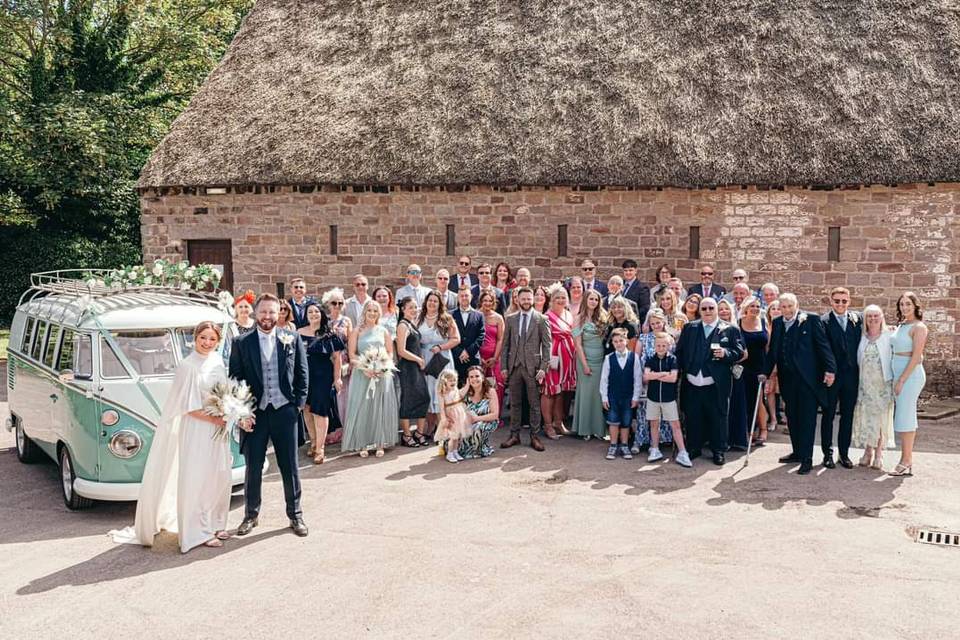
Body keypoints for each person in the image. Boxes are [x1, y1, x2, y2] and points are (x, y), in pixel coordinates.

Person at [110, 322, 233, 552]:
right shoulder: (187, 366)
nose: (207, 343)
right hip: (198, 428)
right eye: (203, 338)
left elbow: (224, 392)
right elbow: (186, 406)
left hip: (219, 428)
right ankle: (198, 531)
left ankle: (216, 523)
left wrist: (231, 410)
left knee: (219, 475)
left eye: (212, 339)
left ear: (217, 341)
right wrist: (215, 418)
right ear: (195, 338)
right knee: (198, 478)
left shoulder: (217, 360)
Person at [230, 293, 310, 537]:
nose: (267, 316)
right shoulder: (242, 342)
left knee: (290, 466)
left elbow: (301, 374)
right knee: (253, 467)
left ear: (280, 314)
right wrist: (243, 412)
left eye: (272, 312)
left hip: (284, 411)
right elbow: (235, 379)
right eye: (263, 311)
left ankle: (295, 515)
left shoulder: (292, 338)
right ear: (256, 313)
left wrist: (296, 406)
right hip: (255, 413)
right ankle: (250, 515)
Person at [764, 293, 836, 475]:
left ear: (796, 305)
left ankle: (807, 459)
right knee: (792, 416)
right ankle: (797, 452)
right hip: (787, 379)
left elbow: (823, 345)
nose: (787, 310)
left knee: (807, 419)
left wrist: (830, 369)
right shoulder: (778, 323)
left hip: (808, 380)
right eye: (783, 307)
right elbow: (773, 350)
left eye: (790, 306)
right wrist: (764, 372)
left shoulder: (811, 319)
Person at [675, 297, 744, 466]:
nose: (707, 311)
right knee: (693, 416)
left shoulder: (731, 329)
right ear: (700, 310)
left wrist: (726, 353)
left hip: (716, 382)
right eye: (704, 308)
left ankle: (718, 450)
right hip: (692, 381)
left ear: (716, 310)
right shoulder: (690, 328)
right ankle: (694, 448)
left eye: (710, 308)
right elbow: (680, 351)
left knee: (718, 417)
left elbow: (739, 352)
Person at [343, 299, 400, 458]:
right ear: (364, 312)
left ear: (379, 313)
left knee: (379, 407)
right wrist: (364, 367)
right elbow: (352, 354)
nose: (372, 314)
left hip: (381, 375)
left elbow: (389, 352)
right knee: (363, 407)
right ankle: (363, 443)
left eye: (375, 311)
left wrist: (383, 366)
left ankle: (380, 443)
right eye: (369, 310)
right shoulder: (357, 331)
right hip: (362, 374)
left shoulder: (383, 331)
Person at [500, 287, 552, 451]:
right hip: (515, 366)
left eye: (529, 299)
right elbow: (505, 344)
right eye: (523, 299)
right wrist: (504, 367)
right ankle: (514, 435)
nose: (527, 301)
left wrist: (544, 367)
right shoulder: (510, 319)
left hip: (533, 367)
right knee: (515, 403)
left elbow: (547, 345)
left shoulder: (541, 319)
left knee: (534, 404)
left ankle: (534, 436)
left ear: (533, 300)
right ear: (518, 300)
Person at [819, 286, 862, 469]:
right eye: (837, 301)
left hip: (851, 377)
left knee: (847, 415)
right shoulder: (823, 321)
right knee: (828, 415)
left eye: (844, 301)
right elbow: (821, 349)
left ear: (849, 301)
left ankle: (843, 454)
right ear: (831, 301)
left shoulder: (857, 319)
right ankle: (827, 454)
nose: (841, 304)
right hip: (831, 376)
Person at [299, 303, 344, 465]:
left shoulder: (329, 334)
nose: (313, 314)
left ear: (322, 314)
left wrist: (337, 378)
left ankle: (320, 448)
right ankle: (312, 441)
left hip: (322, 376)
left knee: (320, 411)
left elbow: (337, 358)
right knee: (307, 409)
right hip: (304, 377)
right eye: (310, 312)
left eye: (316, 311)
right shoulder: (299, 333)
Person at [852, 305, 894, 470]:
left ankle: (878, 454)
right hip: (865, 385)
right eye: (869, 316)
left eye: (876, 316)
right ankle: (867, 452)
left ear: (882, 317)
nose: (873, 319)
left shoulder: (889, 335)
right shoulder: (862, 336)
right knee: (867, 418)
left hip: (882, 385)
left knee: (880, 419)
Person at [890, 291, 927, 477]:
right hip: (897, 371)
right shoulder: (901, 325)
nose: (904, 307)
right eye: (902, 304)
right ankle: (906, 460)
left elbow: (916, 356)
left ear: (915, 306)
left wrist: (902, 379)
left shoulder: (919, 327)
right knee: (902, 414)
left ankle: (906, 460)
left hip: (910, 375)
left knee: (905, 415)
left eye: (908, 304)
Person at [644, 332, 691, 467]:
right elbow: (646, 376)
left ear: (669, 346)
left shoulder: (673, 359)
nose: (661, 347)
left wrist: (655, 375)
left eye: (664, 345)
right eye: (658, 345)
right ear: (654, 346)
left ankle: (682, 452)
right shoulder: (650, 359)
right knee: (654, 424)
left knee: (675, 425)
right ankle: (655, 449)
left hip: (668, 399)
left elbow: (673, 378)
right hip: (653, 398)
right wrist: (663, 374)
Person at [418, 290, 461, 438]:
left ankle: (444, 427)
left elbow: (456, 339)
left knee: (442, 392)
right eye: (430, 300)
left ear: (440, 303)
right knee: (428, 392)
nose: (432, 303)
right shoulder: (419, 318)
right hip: (425, 358)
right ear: (426, 302)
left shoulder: (446, 318)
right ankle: (431, 426)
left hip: (441, 358)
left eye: (435, 301)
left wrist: (440, 347)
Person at [634, 310, 674, 452]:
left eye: (658, 322)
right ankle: (640, 440)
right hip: (646, 381)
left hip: (664, 381)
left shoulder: (669, 339)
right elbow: (636, 361)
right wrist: (641, 378)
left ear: (663, 322)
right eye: (653, 323)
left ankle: (661, 440)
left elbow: (672, 361)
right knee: (644, 412)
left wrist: (662, 376)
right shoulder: (643, 338)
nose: (656, 325)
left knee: (662, 411)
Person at [599, 328, 642, 460]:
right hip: (613, 395)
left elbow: (638, 378)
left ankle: (624, 445)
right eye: (615, 341)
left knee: (626, 421)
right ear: (612, 343)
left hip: (628, 396)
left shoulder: (634, 357)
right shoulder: (608, 358)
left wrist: (636, 397)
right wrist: (604, 397)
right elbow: (604, 379)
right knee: (613, 421)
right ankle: (613, 445)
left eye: (621, 341)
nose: (618, 343)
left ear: (627, 341)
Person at [572, 289, 608, 440]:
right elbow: (578, 345)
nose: (594, 302)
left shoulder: (603, 317)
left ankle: (598, 430)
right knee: (586, 394)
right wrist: (585, 365)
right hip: (585, 359)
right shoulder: (578, 319)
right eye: (591, 299)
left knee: (598, 395)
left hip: (600, 359)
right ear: (585, 300)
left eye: (596, 299)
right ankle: (585, 428)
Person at [542, 285, 577, 439]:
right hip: (552, 359)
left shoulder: (569, 315)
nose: (561, 300)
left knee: (561, 391)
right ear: (552, 300)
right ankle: (548, 425)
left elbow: (574, 334)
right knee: (549, 392)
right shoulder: (546, 316)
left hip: (567, 359)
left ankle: (558, 422)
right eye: (558, 298)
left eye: (564, 297)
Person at [396, 297, 430, 448]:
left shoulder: (412, 324)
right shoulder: (403, 326)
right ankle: (407, 435)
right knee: (408, 400)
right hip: (408, 368)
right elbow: (401, 351)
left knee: (424, 397)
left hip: (416, 366)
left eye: (416, 307)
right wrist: (418, 359)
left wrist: (420, 359)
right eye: (410, 307)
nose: (414, 310)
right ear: (403, 309)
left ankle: (419, 433)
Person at [322, 287, 353, 444]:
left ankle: (346, 429)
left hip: (344, 361)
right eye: (334, 303)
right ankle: (333, 430)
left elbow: (351, 342)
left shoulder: (346, 321)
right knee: (330, 396)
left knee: (344, 396)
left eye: (340, 303)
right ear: (328, 304)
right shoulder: (324, 321)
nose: (337, 306)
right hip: (327, 362)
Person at [739, 296, 769, 446]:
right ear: (746, 308)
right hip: (743, 366)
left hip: (760, 367)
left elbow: (768, 346)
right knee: (744, 399)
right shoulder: (738, 324)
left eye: (758, 306)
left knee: (759, 399)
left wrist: (770, 368)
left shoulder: (763, 322)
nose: (755, 309)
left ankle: (763, 430)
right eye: (752, 306)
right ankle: (745, 430)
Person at [719, 298, 749, 451]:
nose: (723, 311)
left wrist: (729, 358)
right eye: (721, 309)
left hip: (734, 373)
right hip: (718, 373)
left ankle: (736, 440)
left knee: (735, 406)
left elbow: (744, 354)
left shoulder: (735, 328)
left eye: (726, 309)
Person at [458, 365, 500, 459]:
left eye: (477, 376)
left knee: (477, 427)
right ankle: (464, 449)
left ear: (482, 377)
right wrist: (467, 386)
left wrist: (476, 419)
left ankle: (478, 449)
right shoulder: (466, 392)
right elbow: (453, 400)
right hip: (468, 421)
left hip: (487, 421)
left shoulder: (490, 392)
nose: (474, 379)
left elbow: (495, 415)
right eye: (471, 377)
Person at [435, 370, 472, 463]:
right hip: (451, 416)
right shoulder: (442, 393)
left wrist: (467, 385)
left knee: (458, 435)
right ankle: (450, 453)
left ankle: (455, 451)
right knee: (453, 436)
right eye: (450, 380)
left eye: (454, 380)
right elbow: (441, 408)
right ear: (444, 381)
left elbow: (462, 393)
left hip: (459, 415)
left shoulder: (455, 390)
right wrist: (444, 418)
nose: (453, 382)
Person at [478, 290, 506, 409]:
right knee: (478, 387)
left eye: (490, 301)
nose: (487, 303)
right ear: (481, 301)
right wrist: (479, 358)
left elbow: (500, 339)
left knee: (496, 387)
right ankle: (481, 415)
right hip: (479, 358)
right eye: (485, 300)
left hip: (494, 358)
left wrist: (495, 357)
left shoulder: (498, 318)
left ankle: (495, 415)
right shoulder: (476, 315)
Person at [451, 286, 485, 384]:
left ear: (471, 296)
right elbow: (447, 336)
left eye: (466, 295)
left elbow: (481, 336)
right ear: (458, 297)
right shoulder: (450, 315)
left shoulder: (479, 315)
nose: (464, 298)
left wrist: (468, 352)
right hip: (456, 358)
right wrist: (460, 352)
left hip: (473, 358)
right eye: (462, 296)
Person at [765, 300, 785, 430]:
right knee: (770, 392)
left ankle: (788, 419)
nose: (776, 311)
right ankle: (773, 419)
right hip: (771, 363)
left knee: (785, 392)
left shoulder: (786, 324)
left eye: (779, 308)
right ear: (769, 312)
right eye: (773, 309)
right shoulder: (765, 327)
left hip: (783, 363)